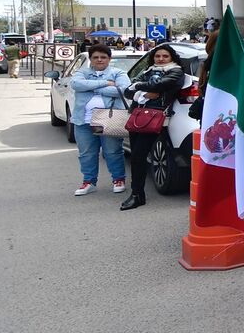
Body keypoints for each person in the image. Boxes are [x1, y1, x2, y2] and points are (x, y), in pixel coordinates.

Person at [123, 44, 185, 211]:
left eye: (165, 56)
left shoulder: (176, 71)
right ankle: (137, 193)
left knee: (139, 155)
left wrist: (138, 87)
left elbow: (161, 85)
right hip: (137, 115)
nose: (161, 59)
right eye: (158, 56)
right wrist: (141, 91)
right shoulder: (147, 70)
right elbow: (127, 91)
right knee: (136, 158)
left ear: (172, 57)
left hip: (154, 117)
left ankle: (137, 194)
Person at [70, 44, 130, 196]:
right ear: (90, 59)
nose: (99, 60)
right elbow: (76, 84)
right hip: (83, 120)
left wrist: (90, 87)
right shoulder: (82, 73)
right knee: (86, 153)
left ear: (109, 59)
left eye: (103, 57)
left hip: (109, 119)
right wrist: (105, 83)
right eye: (95, 57)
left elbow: (123, 90)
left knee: (112, 151)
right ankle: (89, 182)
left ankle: (118, 179)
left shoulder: (118, 73)